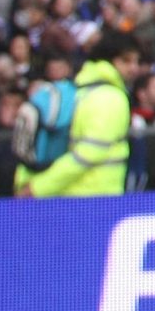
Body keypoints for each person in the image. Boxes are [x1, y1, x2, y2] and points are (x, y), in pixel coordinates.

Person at [18, 28, 137, 198]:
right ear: (110, 59)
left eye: (136, 61)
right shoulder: (111, 97)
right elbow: (89, 153)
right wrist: (38, 188)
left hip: (69, 196)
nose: (134, 68)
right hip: (96, 198)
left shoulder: (81, 88)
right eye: (126, 61)